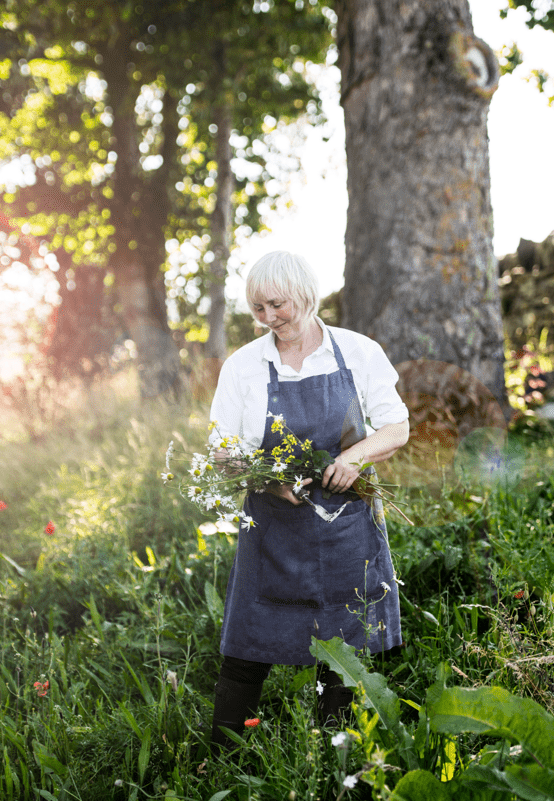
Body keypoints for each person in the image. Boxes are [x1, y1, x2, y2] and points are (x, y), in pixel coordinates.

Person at [206, 251, 410, 751]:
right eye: (259, 308)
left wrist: (356, 459)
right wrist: (269, 481)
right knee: (247, 646)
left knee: (339, 649)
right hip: (273, 527)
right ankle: (223, 757)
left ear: (304, 295)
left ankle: (334, 759)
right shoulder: (244, 366)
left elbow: (397, 426)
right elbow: (221, 448)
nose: (270, 317)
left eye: (278, 304)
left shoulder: (358, 353)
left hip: (346, 526)